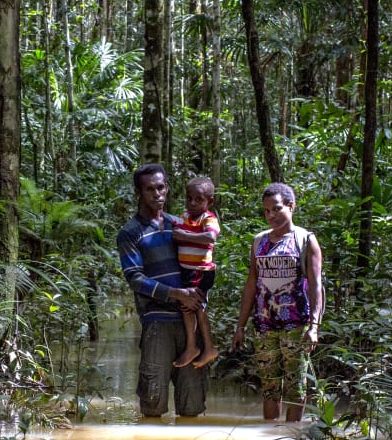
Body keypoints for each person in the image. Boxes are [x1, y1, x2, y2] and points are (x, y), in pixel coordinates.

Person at [117, 163, 207, 418]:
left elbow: (201, 264)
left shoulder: (180, 225)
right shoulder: (130, 232)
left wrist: (198, 298)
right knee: (153, 404)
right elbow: (134, 278)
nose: (157, 194)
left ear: (167, 189)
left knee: (192, 405)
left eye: (161, 187)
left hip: (190, 321)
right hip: (157, 321)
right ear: (138, 193)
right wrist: (176, 293)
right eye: (149, 189)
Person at [230, 182, 323, 422]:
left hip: (296, 326)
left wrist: (314, 327)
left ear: (291, 206)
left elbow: (315, 285)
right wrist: (240, 326)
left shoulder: (306, 240)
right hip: (264, 325)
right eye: (266, 211)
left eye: (276, 209)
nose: (271, 215)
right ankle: (270, 437)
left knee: (296, 387)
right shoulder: (259, 242)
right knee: (270, 387)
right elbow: (251, 283)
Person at [172, 176, 221, 369]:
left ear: (209, 201)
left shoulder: (208, 218)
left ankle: (194, 347)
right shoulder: (184, 217)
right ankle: (207, 348)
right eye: (189, 198)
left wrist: (184, 235)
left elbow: (211, 236)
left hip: (200, 271)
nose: (192, 203)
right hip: (188, 271)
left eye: (198, 200)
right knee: (196, 308)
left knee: (191, 307)